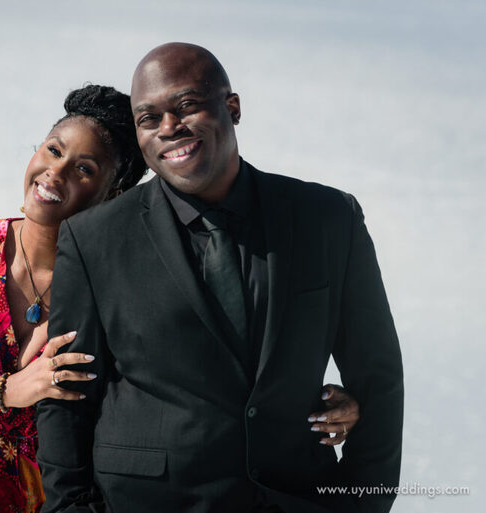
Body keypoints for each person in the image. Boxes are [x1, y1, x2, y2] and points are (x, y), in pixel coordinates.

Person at [0, 84, 360, 512]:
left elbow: (189, 390)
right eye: (53, 149)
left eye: (83, 168)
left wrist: (308, 407)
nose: (54, 174)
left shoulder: (117, 281)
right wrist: (4, 391)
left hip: (46, 500)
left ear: (115, 191)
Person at [36, 44, 403, 513]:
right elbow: (69, 395)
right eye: (149, 118)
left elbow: (378, 375)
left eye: (186, 106)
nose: (169, 128)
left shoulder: (330, 219)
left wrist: (362, 503)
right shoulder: (94, 239)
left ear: (232, 107)